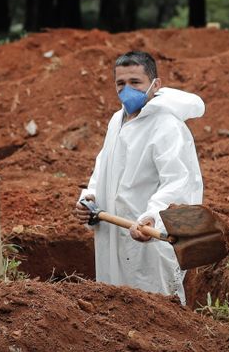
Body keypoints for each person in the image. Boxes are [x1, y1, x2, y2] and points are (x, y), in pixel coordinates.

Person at [72, 51, 205, 305]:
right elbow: (103, 168)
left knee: (154, 311)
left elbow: (178, 182)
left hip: (148, 242)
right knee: (113, 310)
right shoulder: (116, 120)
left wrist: (152, 218)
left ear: (155, 85)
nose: (127, 90)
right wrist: (89, 200)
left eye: (135, 82)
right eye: (120, 83)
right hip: (112, 234)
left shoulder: (166, 126)